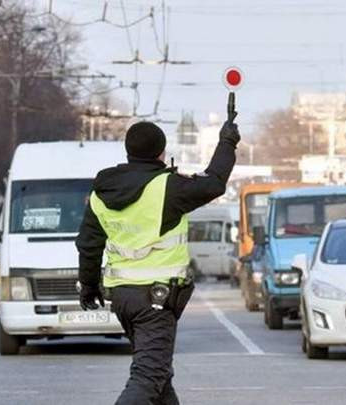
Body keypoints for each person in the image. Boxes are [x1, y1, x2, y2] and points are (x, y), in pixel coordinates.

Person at [76, 115, 240, 404]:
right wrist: (227, 142)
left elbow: (89, 245)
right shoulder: (168, 188)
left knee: (159, 376)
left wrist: (88, 287)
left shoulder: (101, 193)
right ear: (161, 153)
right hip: (156, 299)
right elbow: (214, 183)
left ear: (128, 151)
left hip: (122, 298)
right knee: (148, 377)